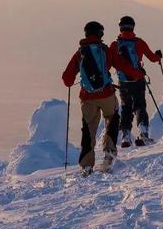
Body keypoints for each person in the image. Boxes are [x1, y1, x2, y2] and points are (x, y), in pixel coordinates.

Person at [62, 21, 145, 175]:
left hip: (87, 98)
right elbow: (123, 66)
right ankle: (109, 153)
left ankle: (87, 165)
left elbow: (67, 79)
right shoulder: (105, 50)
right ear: (100, 34)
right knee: (112, 120)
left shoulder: (80, 53)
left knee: (88, 129)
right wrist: (138, 75)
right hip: (106, 94)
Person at [110, 16, 162, 147]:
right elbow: (152, 58)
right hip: (138, 80)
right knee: (140, 106)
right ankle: (143, 134)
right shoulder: (139, 43)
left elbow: (108, 63)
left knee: (126, 107)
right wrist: (158, 56)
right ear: (133, 26)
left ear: (120, 27)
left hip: (123, 82)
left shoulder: (114, 45)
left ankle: (126, 137)